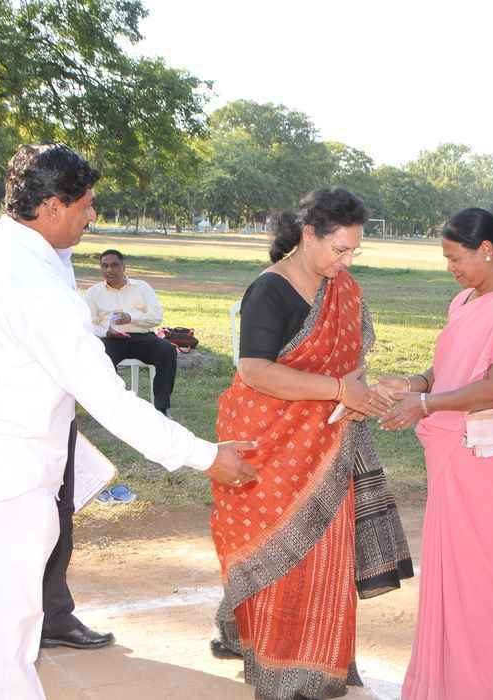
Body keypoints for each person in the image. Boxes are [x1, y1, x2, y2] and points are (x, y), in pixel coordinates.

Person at [0, 143, 255, 700]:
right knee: (6, 638)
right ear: (54, 206)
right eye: (86, 205)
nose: (92, 216)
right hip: (5, 484)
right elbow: (109, 398)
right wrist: (205, 456)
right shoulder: (37, 285)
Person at [211, 187, 414, 700]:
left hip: (327, 444)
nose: (346, 262)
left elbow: (352, 362)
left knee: (323, 554)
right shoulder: (270, 290)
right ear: (308, 235)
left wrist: (361, 392)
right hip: (269, 443)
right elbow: (255, 371)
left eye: (353, 251)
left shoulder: (343, 289)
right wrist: (340, 390)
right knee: (272, 550)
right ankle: (275, 663)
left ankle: (319, 664)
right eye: (339, 249)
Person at [377, 208, 493, 699]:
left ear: (487, 251)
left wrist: (426, 405)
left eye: (456, 258)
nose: (450, 268)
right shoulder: (463, 302)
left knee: (492, 584)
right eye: (446, 258)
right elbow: (448, 369)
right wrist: (415, 384)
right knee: (457, 578)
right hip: (458, 462)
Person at [38, 245, 114, 651]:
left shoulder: (60, 263)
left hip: (57, 416)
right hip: (10, 427)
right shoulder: (2, 262)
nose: (91, 216)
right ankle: (7, 622)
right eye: (82, 211)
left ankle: (52, 615)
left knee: (59, 516)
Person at [84, 249, 178, 415]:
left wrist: (131, 317)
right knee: (100, 356)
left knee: (167, 350)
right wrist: (106, 331)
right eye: (105, 266)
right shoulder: (93, 293)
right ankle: (112, 407)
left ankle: (161, 408)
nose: (109, 270)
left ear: (123, 267)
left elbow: (156, 317)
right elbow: (89, 324)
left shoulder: (142, 287)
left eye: (114, 265)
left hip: (142, 337)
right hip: (111, 339)